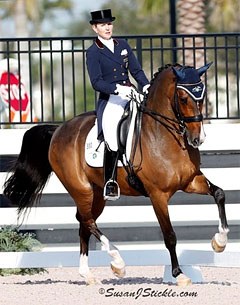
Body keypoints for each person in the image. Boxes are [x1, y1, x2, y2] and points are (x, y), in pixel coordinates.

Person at [86, 9, 150, 200]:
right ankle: (110, 180)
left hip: (131, 92)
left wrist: (145, 85)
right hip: (111, 98)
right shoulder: (93, 52)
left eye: (109, 24)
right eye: (103, 25)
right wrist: (118, 89)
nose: (107, 27)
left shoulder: (122, 45)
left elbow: (136, 70)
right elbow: (96, 82)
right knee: (112, 132)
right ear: (95, 28)